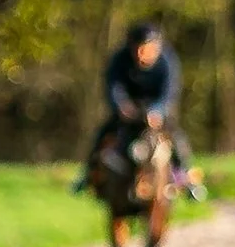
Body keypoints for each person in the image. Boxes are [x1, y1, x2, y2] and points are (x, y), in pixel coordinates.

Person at [76, 22, 203, 197]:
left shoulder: (167, 61)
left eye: (146, 49)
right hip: (129, 110)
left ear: (157, 47)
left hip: (157, 110)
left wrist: (157, 110)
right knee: (103, 134)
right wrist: (121, 106)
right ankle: (87, 175)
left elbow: (169, 91)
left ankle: (186, 178)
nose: (140, 54)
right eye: (137, 49)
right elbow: (113, 86)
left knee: (177, 137)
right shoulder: (119, 59)